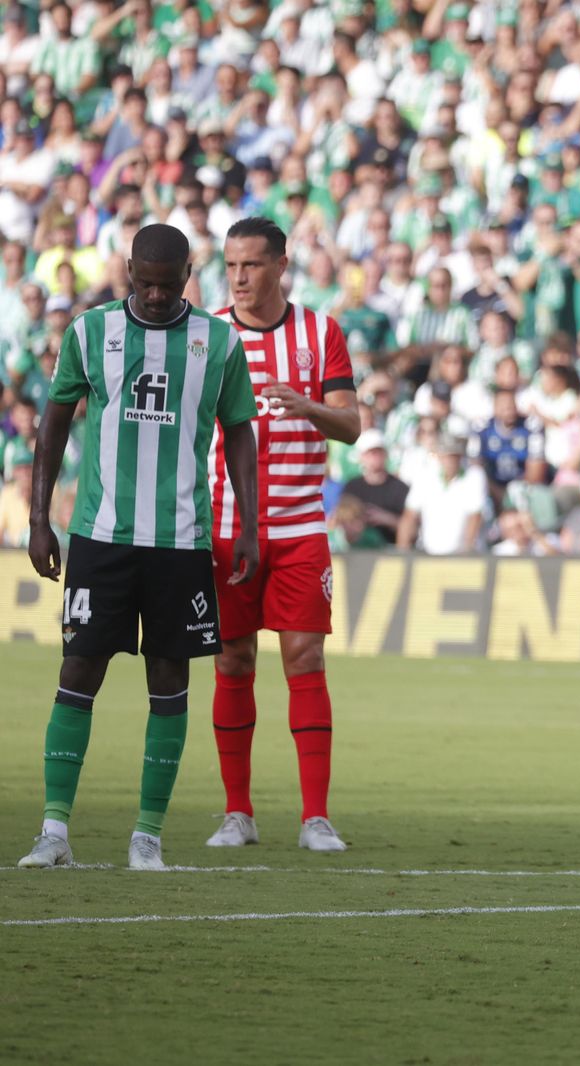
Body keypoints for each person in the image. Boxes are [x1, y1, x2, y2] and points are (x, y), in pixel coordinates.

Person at [17, 223, 259, 872]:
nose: (154, 295)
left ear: (187, 274)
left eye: (167, 282)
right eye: (144, 282)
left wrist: (251, 525)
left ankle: (147, 837)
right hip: (101, 536)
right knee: (78, 672)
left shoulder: (219, 340)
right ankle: (53, 831)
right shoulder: (90, 333)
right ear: (128, 271)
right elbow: (53, 426)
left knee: (169, 678)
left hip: (182, 542)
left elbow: (239, 432)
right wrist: (40, 519)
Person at [205, 217, 359, 854]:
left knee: (305, 658)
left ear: (281, 265)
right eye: (231, 266)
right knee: (233, 660)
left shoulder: (320, 333)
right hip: (226, 530)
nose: (240, 278)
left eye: (252, 265)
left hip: (299, 529)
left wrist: (307, 406)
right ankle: (237, 812)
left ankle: (315, 817)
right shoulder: (207, 334)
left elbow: (350, 425)